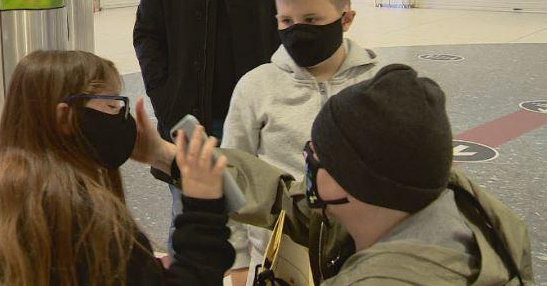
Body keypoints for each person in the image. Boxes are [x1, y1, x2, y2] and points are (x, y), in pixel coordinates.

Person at [149, 64, 534, 285]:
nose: (307, 162)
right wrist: (166, 155)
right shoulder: (430, 203)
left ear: (358, 180)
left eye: (317, 155)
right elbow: (286, 200)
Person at [0, 50, 235, 286]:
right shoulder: (86, 219)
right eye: (112, 106)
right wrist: (202, 211)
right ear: (65, 117)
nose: (124, 119)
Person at [133, 0, 285, 255]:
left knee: (257, 219)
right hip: (189, 116)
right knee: (189, 219)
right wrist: (165, 101)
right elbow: (148, 36)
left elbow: (286, 22)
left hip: (254, 114)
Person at [221, 0, 378, 284]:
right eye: (286, 21)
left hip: (364, 257)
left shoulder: (378, 85)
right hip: (279, 258)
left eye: (312, 20)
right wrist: (237, 259)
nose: (297, 30)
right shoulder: (255, 87)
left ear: (346, 19)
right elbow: (232, 176)